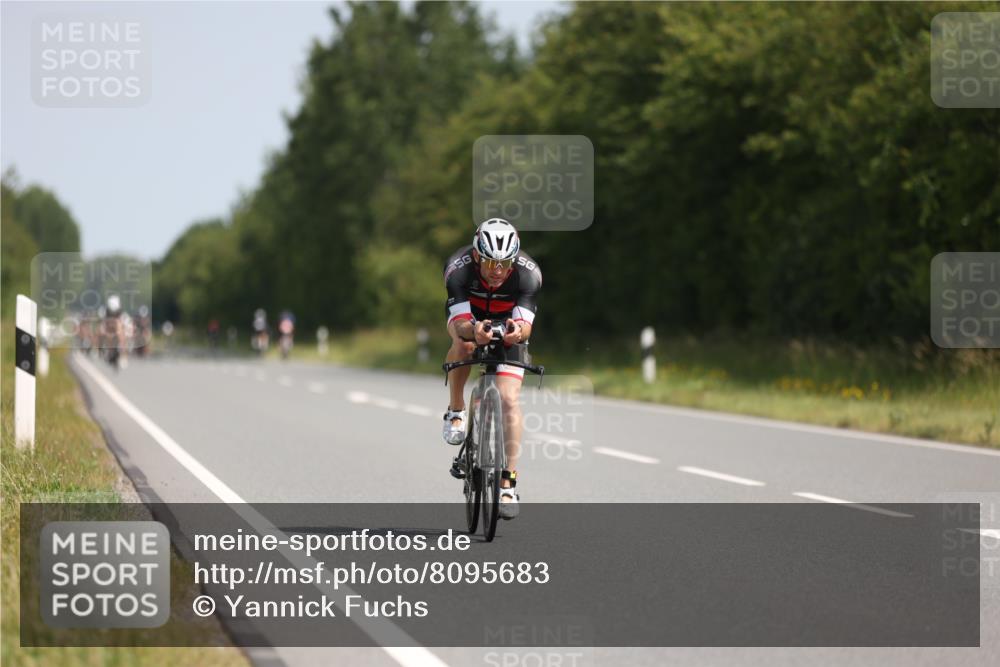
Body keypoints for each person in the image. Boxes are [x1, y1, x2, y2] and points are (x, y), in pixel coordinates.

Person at [442, 218, 541, 519]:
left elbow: (525, 327)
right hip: (470, 318)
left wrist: (516, 333)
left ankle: (508, 482)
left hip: (507, 323)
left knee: (509, 399)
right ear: (476, 255)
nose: (497, 271)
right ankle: (457, 410)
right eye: (489, 262)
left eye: (504, 264)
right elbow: (460, 323)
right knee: (464, 345)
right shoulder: (458, 269)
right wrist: (475, 331)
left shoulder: (529, 274)